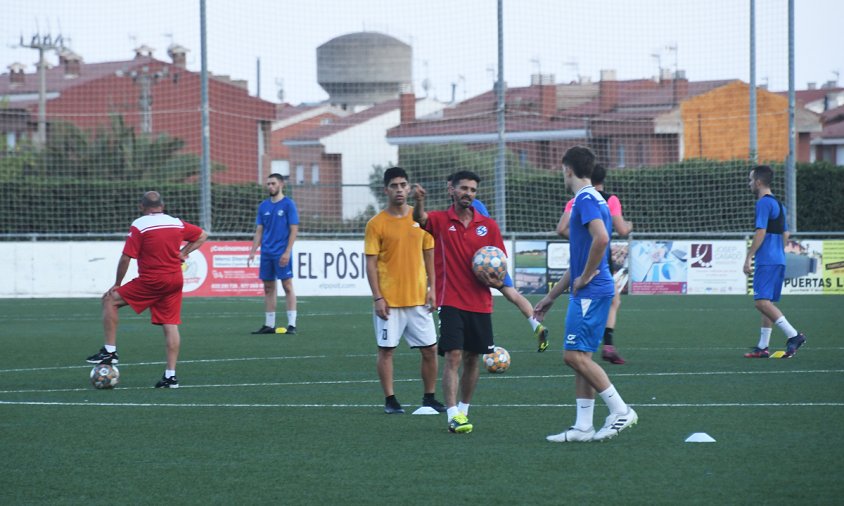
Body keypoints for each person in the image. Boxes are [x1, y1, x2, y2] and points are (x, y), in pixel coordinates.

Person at [535, 146, 638, 442]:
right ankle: (582, 427)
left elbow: (602, 239)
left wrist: (588, 274)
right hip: (591, 289)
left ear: (567, 168)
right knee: (581, 356)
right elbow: (578, 263)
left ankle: (620, 410)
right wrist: (552, 297)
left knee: (572, 356)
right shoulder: (593, 198)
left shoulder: (584, 198)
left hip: (592, 291)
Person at [413, 170, 506, 434]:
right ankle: (452, 414)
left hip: (480, 302)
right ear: (451, 189)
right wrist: (419, 200)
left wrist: (495, 279)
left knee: (473, 358)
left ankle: (464, 410)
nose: (468, 193)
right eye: (463, 188)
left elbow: (500, 264)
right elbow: (419, 218)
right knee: (453, 356)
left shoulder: (488, 226)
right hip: (450, 300)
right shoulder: (441, 221)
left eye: (473, 190)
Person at [86, 191, 208, 388]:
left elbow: (126, 257)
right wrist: (183, 253)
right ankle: (170, 377)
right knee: (170, 324)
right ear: (163, 205)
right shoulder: (176, 222)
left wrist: (117, 283)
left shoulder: (140, 225)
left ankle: (109, 351)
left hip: (153, 280)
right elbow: (202, 235)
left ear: (141, 207)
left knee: (110, 300)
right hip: (174, 279)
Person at [365, 167, 446, 414]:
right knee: (387, 350)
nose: (399, 189)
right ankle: (390, 400)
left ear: (409, 188)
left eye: (403, 185)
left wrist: (432, 289)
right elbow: (370, 263)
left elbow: (429, 255)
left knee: (431, 350)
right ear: (386, 190)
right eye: (394, 186)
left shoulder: (420, 219)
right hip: (389, 302)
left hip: (419, 299)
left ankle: (429, 397)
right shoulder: (376, 224)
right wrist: (378, 297)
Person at [445, 174, 549, 352]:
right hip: (492, 261)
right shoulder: (471, 207)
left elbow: (481, 231)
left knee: (472, 305)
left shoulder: (471, 207)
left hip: (478, 266)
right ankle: (535, 325)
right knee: (513, 295)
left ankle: (465, 344)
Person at [556, 164, 632, 364]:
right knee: (613, 301)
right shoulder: (608, 199)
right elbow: (621, 230)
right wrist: (631, 225)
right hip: (599, 259)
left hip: (585, 257)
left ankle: (596, 346)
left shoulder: (576, 199)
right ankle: (607, 345)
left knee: (579, 354)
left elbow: (561, 229)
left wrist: (580, 240)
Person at [743, 165, 806, 358]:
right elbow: (786, 234)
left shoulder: (763, 203)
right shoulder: (779, 204)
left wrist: (749, 256)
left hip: (767, 260)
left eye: (751, 179)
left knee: (760, 302)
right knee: (767, 303)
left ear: (759, 182)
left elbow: (760, 231)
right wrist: (777, 250)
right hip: (778, 258)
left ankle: (793, 335)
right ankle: (763, 347)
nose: (750, 183)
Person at [248, 173, 299, 334]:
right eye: (268, 184)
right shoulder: (263, 206)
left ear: (281, 184)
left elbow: (294, 229)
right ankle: (269, 325)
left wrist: (287, 251)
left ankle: (292, 324)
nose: (270, 186)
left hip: (282, 253)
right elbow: (259, 231)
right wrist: (253, 251)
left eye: (273, 183)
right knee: (268, 288)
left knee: (287, 286)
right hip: (267, 253)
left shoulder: (288, 204)